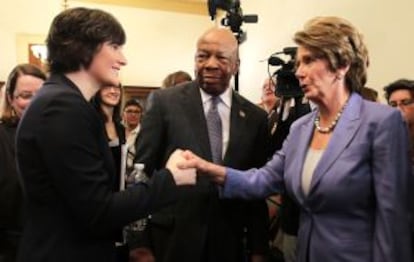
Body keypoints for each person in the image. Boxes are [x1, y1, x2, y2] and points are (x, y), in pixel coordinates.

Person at [178, 16, 412, 262]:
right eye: (297, 63)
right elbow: (262, 180)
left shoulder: (381, 122)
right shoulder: (301, 128)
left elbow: (394, 220)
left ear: (341, 64)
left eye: (309, 61)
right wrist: (206, 168)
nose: (299, 72)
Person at [15, 7, 194, 262]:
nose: (123, 59)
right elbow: (99, 211)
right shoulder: (63, 107)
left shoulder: (64, 101)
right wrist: (171, 179)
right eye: (115, 46)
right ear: (83, 47)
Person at [134, 27, 270, 262]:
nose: (210, 64)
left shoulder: (255, 117)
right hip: (171, 241)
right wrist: (139, 243)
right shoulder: (164, 103)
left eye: (221, 57)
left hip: (229, 243)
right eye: (202, 56)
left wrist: (259, 249)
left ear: (236, 65)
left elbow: (255, 187)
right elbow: (140, 175)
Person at [0, 63, 46, 262]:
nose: (35, 103)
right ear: (10, 98)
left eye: (41, 96)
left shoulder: (60, 137)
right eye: (26, 96)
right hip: (12, 249)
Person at [91, 84, 126, 192]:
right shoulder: (91, 123)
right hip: (96, 188)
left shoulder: (120, 127)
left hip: (117, 189)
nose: (113, 91)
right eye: (107, 87)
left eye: (117, 88)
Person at [122, 98, 143, 175]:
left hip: (135, 174)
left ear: (141, 115)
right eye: (129, 111)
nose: (133, 114)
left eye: (137, 112)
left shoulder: (144, 134)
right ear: (123, 113)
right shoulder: (116, 130)